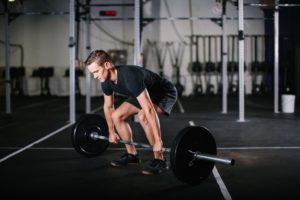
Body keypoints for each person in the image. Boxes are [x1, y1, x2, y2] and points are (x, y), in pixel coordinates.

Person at [84, 50, 177, 175]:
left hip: (163, 92)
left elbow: (148, 109)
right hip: (142, 93)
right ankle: (132, 154)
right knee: (116, 116)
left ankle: (160, 159)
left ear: (107, 65)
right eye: (92, 73)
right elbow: (108, 106)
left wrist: (158, 141)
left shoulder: (129, 76)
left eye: (96, 71)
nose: (95, 76)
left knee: (143, 116)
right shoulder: (105, 81)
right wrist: (111, 132)